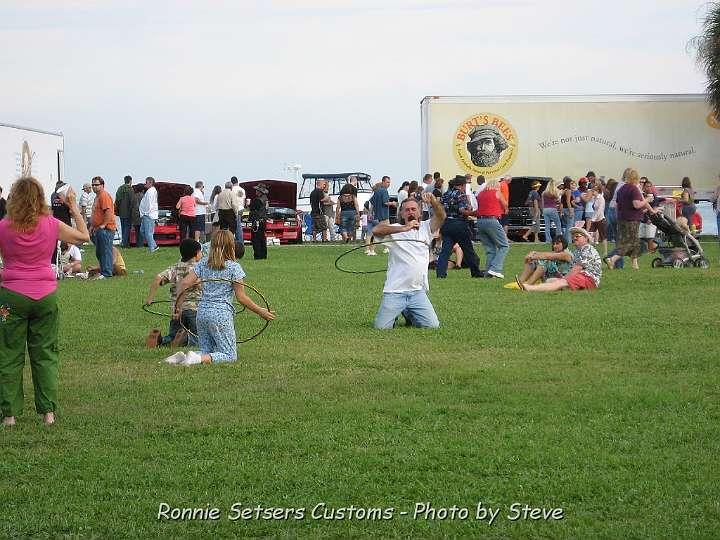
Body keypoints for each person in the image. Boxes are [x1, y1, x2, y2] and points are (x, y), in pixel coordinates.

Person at [0, 176, 89, 426]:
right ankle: (48, 413)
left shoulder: (4, 226)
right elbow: (83, 236)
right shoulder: (51, 224)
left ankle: (9, 415)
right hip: (45, 297)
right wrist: (73, 207)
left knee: (8, 353)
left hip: (10, 297)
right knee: (45, 354)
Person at [165, 230, 275, 365]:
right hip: (220, 315)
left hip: (202, 313)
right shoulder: (234, 268)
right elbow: (241, 297)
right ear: (231, 246)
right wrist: (261, 311)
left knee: (207, 350)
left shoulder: (203, 263)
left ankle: (181, 357)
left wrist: (178, 307)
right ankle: (195, 358)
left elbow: (184, 283)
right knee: (229, 355)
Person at [371, 193, 445, 329]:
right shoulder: (395, 229)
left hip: (417, 292)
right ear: (402, 213)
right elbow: (376, 230)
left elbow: (441, 216)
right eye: (407, 210)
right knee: (381, 328)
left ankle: (408, 312)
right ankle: (400, 310)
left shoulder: (426, 227)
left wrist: (433, 202)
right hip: (395, 291)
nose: (410, 212)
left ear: (419, 212)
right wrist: (404, 228)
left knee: (432, 326)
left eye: (414, 209)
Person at [144, 238, 202, 348]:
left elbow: (158, 278)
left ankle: (160, 340)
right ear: (196, 253)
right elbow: (199, 284)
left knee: (173, 334)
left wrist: (150, 299)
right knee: (197, 337)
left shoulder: (176, 267)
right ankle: (185, 340)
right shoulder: (197, 269)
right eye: (201, 252)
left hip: (176, 309)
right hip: (193, 309)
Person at [517, 227, 601, 292]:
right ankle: (521, 282)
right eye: (573, 236)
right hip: (576, 276)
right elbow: (549, 255)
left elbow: (575, 269)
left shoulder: (571, 253)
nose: (555, 246)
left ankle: (529, 287)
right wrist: (533, 255)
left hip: (586, 278)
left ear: (586, 238)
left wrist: (533, 255)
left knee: (546, 264)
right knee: (549, 279)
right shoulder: (578, 251)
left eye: (577, 236)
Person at [605, 168, 657, 270]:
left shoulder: (621, 189)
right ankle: (612, 259)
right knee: (631, 243)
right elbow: (637, 205)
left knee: (630, 242)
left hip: (621, 219)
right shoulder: (634, 189)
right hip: (632, 219)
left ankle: (635, 265)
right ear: (635, 178)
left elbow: (617, 205)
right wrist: (647, 199)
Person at [436, 175, 483, 278]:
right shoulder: (460, 194)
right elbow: (462, 210)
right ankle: (475, 272)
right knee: (468, 249)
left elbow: (440, 208)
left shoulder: (446, 194)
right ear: (462, 185)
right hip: (459, 224)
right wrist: (474, 213)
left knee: (445, 251)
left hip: (446, 224)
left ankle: (440, 273)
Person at [475, 176, 510, 278]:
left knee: (490, 249)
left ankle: (488, 273)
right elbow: (505, 205)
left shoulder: (481, 194)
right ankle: (495, 269)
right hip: (492, 220)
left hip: (480, 222)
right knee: (504, 245)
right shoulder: (496, 192)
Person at [508, 235, 573, 288]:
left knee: (544, 262)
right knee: (533, 262)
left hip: (562, 280)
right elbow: (546, 254)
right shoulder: (557, 252)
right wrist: (532, 254)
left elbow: (547, 256)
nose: (555, 246)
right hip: (551, 277)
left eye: (557, 244)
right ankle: (520, 281)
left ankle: (528, 284)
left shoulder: (566, 254)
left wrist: (532, 256)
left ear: (564, 244)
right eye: (554, 244)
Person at [89, 176, 117, 278]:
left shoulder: (104, 196)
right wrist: (92, 226)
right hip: (97, 229)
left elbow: (108, 211)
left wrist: (103, 225)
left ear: (102, 185)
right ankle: (103, 270)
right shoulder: (97, 197)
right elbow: (96, 213)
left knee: (105, 251)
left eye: (96, 185)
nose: (94, 187)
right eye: (93, 185)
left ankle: (107, 273)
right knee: (100, 252)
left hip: (106, 229)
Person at [139, 176, 159, 253]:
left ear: (150, 183)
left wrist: (146, 213)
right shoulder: (150, 191)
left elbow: (150, 204)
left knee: (148, 233)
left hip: (148, 215)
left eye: (146, 182)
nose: (145, 184)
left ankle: (152, 249)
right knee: (142, 231)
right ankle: (154, 245)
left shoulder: (151, 192)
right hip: (146, 215)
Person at [249, 183, 269, 260]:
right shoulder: (265, 199)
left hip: (257, 222)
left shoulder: (257, 200)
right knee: (262, 239)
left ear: (260, 191)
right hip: (263, 221)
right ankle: (263, 255)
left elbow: (251, 208)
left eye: (257, 190)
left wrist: (248, 204)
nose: (255, 192)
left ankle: (258, 255)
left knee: (256, 239)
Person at [541, 178, 563, 244]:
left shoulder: (544, 193)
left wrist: (542, 210)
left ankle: (548, 240)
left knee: (547, 225)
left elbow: (542, 203)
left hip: (545, 209)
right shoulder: (554, 192)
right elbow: (558, 201)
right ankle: (558, 239)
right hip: (552, 209)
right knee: (558, 224)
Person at [588, 183, 608, 256]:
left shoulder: (601, 198)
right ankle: (592, 249)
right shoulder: (594, 198)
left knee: (603, 236)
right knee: (590, 234)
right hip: (594, 219)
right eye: (593, 190)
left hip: (600, 219)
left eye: (594, 191)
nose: (593, 192)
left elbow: (600, 210)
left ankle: (605, 251)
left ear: (598, 191)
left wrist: (594, 219)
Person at [115, 175, 134, 248]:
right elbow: (132, 202)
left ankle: (123, 242)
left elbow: (117, 200)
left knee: (123, 228)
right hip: (128, 212)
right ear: (130, 181)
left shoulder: (120, 189)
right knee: (127, 228)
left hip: (121, 212)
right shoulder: (130, 189)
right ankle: (125, 244)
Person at [230, 176, 246, 243]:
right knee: (239, 225)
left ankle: (239, 241)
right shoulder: (242, 190)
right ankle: (239, 240)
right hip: (241, 208)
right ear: (237, 181)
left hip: (235, 209)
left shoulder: (232, 190)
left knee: (236, 226)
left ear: (231, 182)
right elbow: (244, 200)